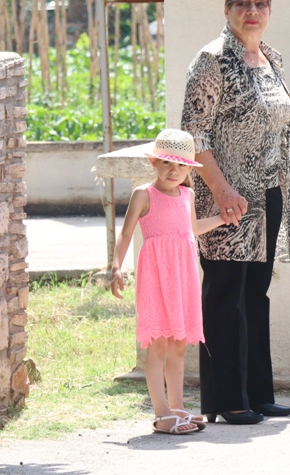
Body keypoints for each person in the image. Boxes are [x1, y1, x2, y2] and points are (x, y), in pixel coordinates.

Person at [181, 0, 290, 425]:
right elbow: (194, 133)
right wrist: (220, 189)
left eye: (260, 4)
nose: (251, 11)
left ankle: (257, 394)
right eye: (241, 3)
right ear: (227, 10)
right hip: (226, 200)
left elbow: (283, 136)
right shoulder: (211, 60)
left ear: (270, 12)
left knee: (255, 293)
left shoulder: (271, 58)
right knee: (225, 294)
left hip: (269, 192)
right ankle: (227, 399)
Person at [110, 128, 228, 435]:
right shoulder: (143, 194)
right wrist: (115, 267)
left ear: (190, 169)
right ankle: (161, 414)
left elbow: (191, 229)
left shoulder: (187, 195)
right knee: (159, 343)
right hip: (157, 275)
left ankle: (177, 408)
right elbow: (125, 233)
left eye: (181, 165)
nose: (174, 171)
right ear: (153, 162)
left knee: (178, 343)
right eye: (166, 163)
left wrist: (221, 218)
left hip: (184, 275)